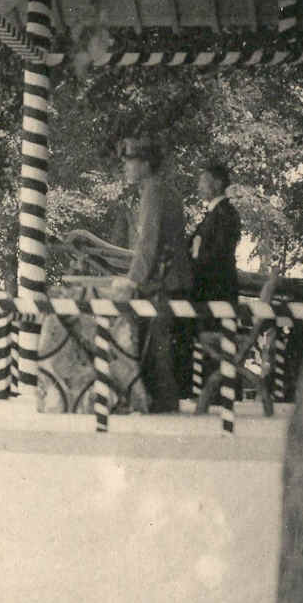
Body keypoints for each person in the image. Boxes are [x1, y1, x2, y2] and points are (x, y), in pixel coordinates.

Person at [111, 136, 192, 412]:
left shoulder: (153, 191)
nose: (126, 168)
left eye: (131, 162)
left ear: (145, 164)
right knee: (159, 344)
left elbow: (148, 243)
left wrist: (132, 281)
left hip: (163, 281)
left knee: (155, 345)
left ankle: (161, 405)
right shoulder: (165, 189)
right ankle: (161, 403)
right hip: (171, 278)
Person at [189, 162, 242, 307]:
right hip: (208, 292)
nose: (199, 187)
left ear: (217, 184)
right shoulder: (214, 213)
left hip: (216, 294)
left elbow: (219, 254)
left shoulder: (225, 214)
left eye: (203, 181)